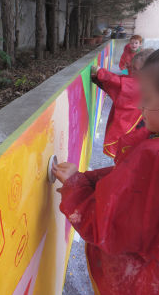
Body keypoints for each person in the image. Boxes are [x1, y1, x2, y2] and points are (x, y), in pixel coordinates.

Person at [53, 49, 159, 295]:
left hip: (135, 282)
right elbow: (129, 185)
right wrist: (86, 178)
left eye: (147, 97)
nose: (140, 105)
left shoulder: (153, 157)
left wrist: (75, 186)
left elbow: (105, 223)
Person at [91, 49, 154, 158]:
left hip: (135, 125)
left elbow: (119, 83)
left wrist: (100, 72)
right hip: (139, 124)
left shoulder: (140, 85)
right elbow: (118, 90)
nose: (132, 72)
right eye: (132, 68)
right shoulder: (141, 82)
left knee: (128, 149)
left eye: (136, 69)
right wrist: (99, 81)